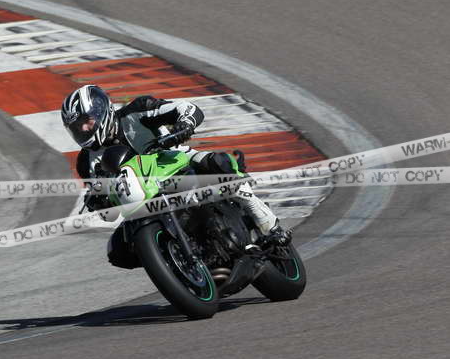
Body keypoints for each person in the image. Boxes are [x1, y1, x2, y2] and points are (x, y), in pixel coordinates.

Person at [61, 85, 291, 265]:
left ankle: (268, 225)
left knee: (217, 163)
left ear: (101, 110)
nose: (83, 130)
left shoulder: (137, 111)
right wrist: (98, 202)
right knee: (119, 251)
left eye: (86, 122)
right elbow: (108, 212)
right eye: (77, 128)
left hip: (176, 162)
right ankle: (174, 262)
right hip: (143, 201)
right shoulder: (86, 162)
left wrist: (184, 125)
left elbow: (187, 108)